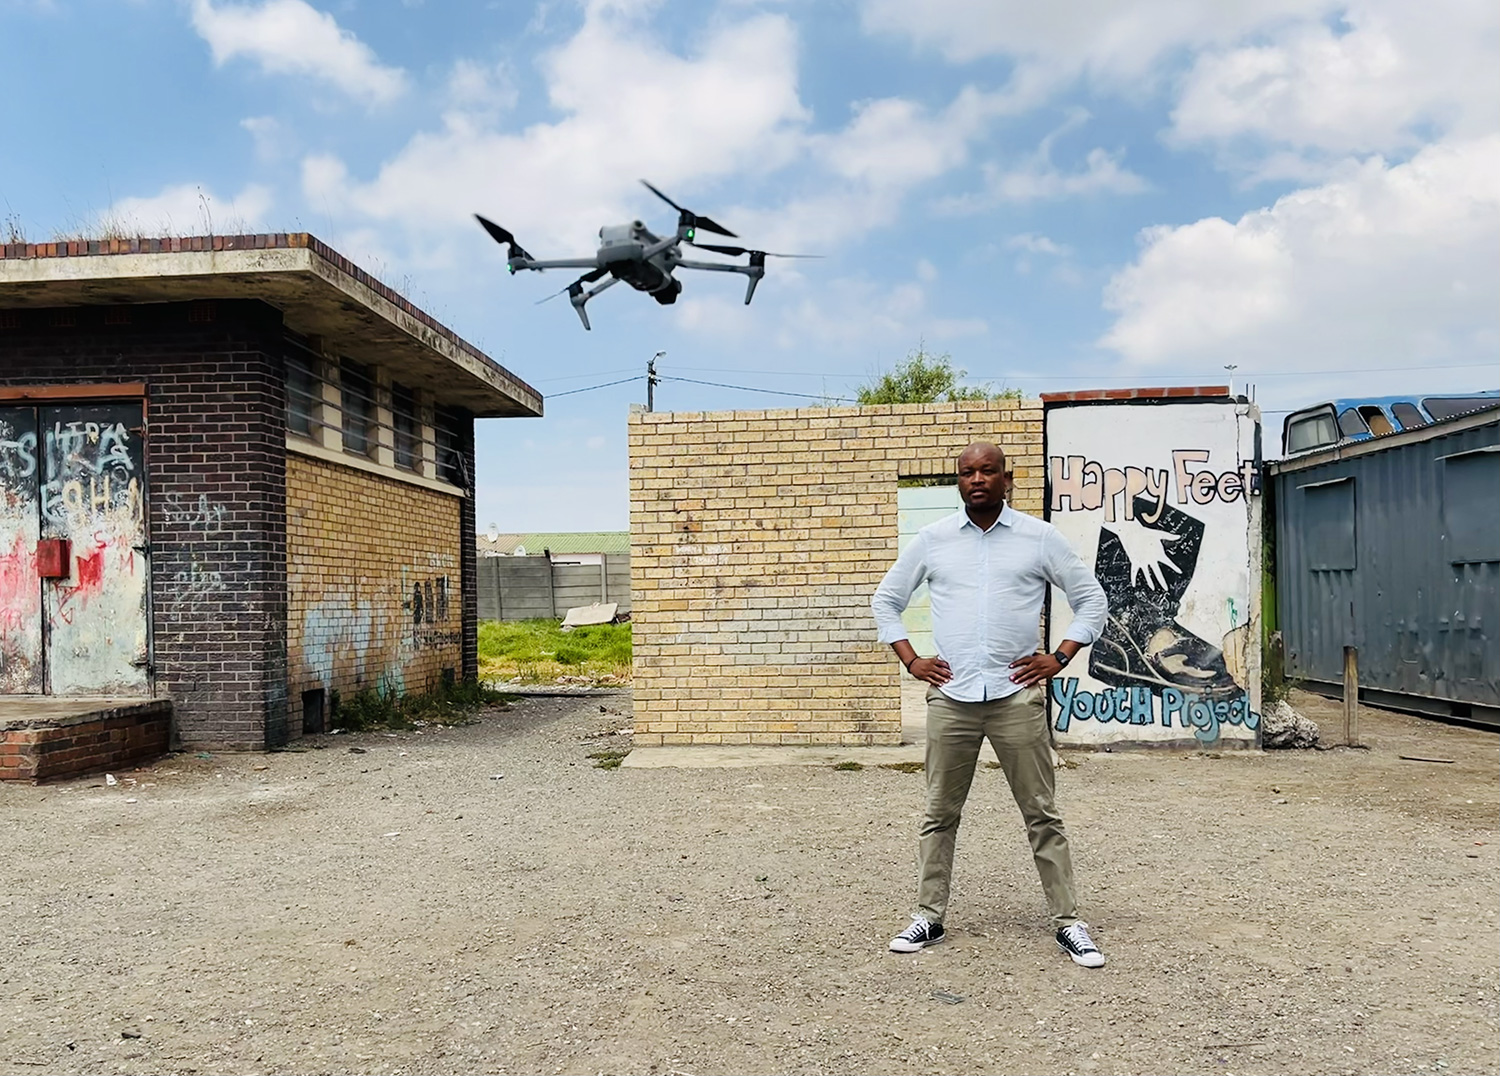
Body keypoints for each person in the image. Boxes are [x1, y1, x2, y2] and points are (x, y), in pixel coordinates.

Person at [871, 441, 1109, 967]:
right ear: (958, 481)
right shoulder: (933, 540)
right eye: (967, 473)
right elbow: (886, 600)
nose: (977, 479)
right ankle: (928, 916)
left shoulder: (1038, 538)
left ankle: (1068, 922)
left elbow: (1091, 598)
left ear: (1006, 478)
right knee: (938, 813)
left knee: (1041, 812)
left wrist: (1060, 656)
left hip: (1015, 697)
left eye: (987, 471)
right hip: (952, 698)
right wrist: (912, 660)